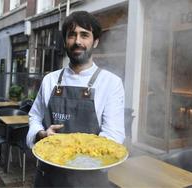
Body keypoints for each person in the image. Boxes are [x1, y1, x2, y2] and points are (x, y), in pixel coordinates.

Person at [27, 10, 125, 187]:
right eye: (72, 35)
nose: (77, 41)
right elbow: (34, 116)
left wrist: (75, 153)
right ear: (65, 41)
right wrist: (41, 134)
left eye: (84, 35)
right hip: (47, 178)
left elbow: (114, 135)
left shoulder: (111, 83)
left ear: (95, 42)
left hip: (89, 180)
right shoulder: (50, 80)